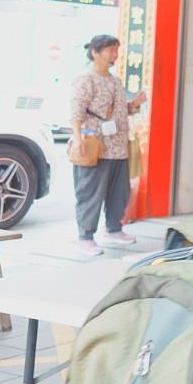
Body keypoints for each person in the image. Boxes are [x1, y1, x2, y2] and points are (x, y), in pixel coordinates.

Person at [68, 34, 144, 255]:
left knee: (119, 192)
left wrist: (134, 105)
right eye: (111, 50)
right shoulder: (85, 79)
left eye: (115, 50)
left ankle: (113, 229)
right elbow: (76, 112)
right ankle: (86, 236)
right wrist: (78, 139)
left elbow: (120, 110)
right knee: (90, 192)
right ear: (95, 52)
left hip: (118, 147)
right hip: (95, 147)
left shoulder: (114, 80)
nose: (115, 55)